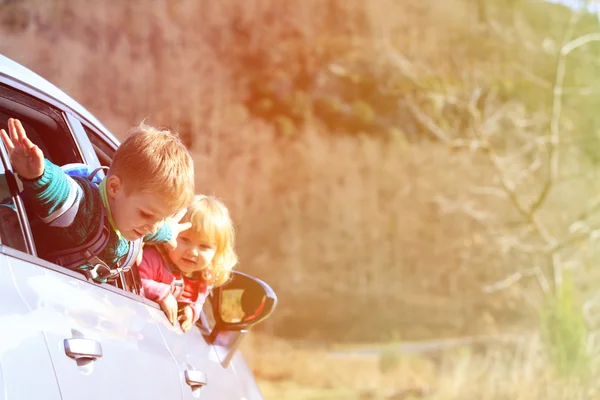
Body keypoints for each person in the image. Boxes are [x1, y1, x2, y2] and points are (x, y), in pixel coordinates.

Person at [0, 118, 195, 281]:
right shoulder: (86, 209)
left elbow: (155, 230)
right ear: (114, 188)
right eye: (146, 214)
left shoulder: (132, 218)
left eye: (160, 218)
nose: (152, 227)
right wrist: (39, 175)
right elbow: (63, 192)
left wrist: (168, 232)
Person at [138, 194, 238, 332]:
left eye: (204, 246)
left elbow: (197, 301)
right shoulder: (153, 259)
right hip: (137, 326)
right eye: (185, 240)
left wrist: (190, 311)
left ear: (217, 252)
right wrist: (162, 294)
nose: (193, 252)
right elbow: (136, 282)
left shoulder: (203, 278)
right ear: (170, 233)